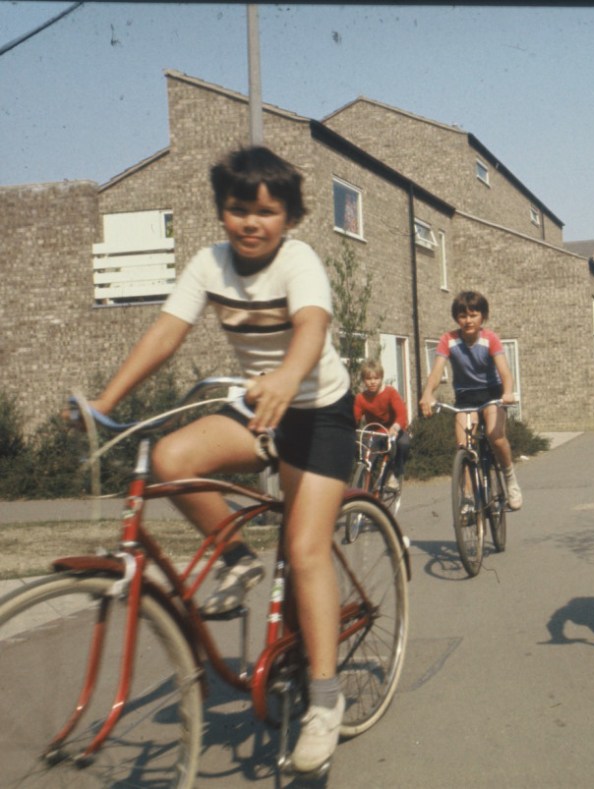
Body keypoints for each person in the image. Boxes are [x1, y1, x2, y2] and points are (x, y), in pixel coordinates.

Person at [85, 145, 351, 774]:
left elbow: (311, 325)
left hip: (319, 411)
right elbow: (166, 333)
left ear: (288, 217)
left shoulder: (299, 260)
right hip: (260, 406)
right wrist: (104, 403)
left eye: (266, 212)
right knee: (169, 458)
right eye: (238, 210)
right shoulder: (208, 264)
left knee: (307, 546)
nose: (251, 224)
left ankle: (324, 701)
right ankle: (236, 560)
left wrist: (289, 375)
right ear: (222, 212)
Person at [418, 290, 523, 510]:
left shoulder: (490, 339)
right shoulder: (448, 340)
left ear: (482, 316)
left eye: (473, 315)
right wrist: (428, 394)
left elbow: (505, 372)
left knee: (496, 437)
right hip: (466, 397)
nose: (468, 320)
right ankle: (467, 496)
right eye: (463, 316)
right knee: (464, 446)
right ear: (457, 318)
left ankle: (510, 478)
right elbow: (437, 372)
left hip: (492, 393)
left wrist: (508, 392)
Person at [353, 358, 411, 493]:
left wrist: (396, 427)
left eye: (376, 378)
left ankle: (396, 473)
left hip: (393, 430)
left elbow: (401, 413)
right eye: (368, 379)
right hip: (375, 432)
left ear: (381, 378)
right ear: (363, 380)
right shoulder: (361, 398)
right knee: (365, 458)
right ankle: (365, 489)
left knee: (404, 443)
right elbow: (354, 418)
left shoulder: (390, 393)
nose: (372, 382)